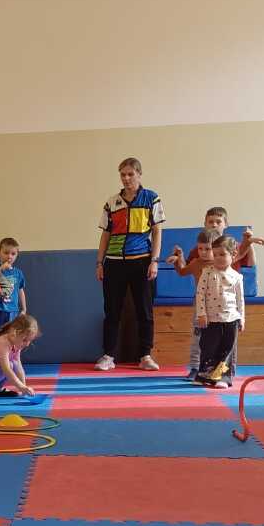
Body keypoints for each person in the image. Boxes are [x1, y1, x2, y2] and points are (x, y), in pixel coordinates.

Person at [167, 207, 264, 381]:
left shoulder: (225, 254)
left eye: (218, 222)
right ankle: (197, 368)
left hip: (227, 307)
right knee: (201, 338)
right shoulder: (198, 260)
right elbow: (184, 269)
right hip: (203, 305)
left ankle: (226, 371)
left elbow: (241, 254)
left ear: (226, 224)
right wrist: (178, 258)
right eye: (210, 221)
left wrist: (247, 242)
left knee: (227, 340)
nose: (205, 252)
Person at [95, 157, 165, 371]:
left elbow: (157, 232)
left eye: (130, 174)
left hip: (141, 261)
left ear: (139, 174)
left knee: (144, 311)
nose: (126, 178)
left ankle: (145, 355)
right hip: (114, 263)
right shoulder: (112, 202)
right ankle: (108, 355)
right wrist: (100, 263)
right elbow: (105, 235)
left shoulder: (151, 198)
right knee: (112, 311)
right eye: (123, 175)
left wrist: (154, 261)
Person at [194, 236, 245, 389]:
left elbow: (240, 299)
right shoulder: (207, 273)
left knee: (227, 350)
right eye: (215, 254)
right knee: (208, 347)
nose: (218, 258)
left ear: (233, 254)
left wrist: (242, 318)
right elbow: (200, 294)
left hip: (231, 319)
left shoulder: (237, 277)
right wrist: (201, 314)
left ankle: (223, 377)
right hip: (211, 320)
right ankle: (204, 375)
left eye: (222, 254)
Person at [0, 237, 27, 331]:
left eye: (13, 254)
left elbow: (20, 291)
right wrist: (1, 269)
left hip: (12, 310)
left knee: (11, 334)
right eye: (6, 253)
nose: (9, 256)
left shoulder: (18, 273)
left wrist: (24, 309)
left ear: (17, 255)